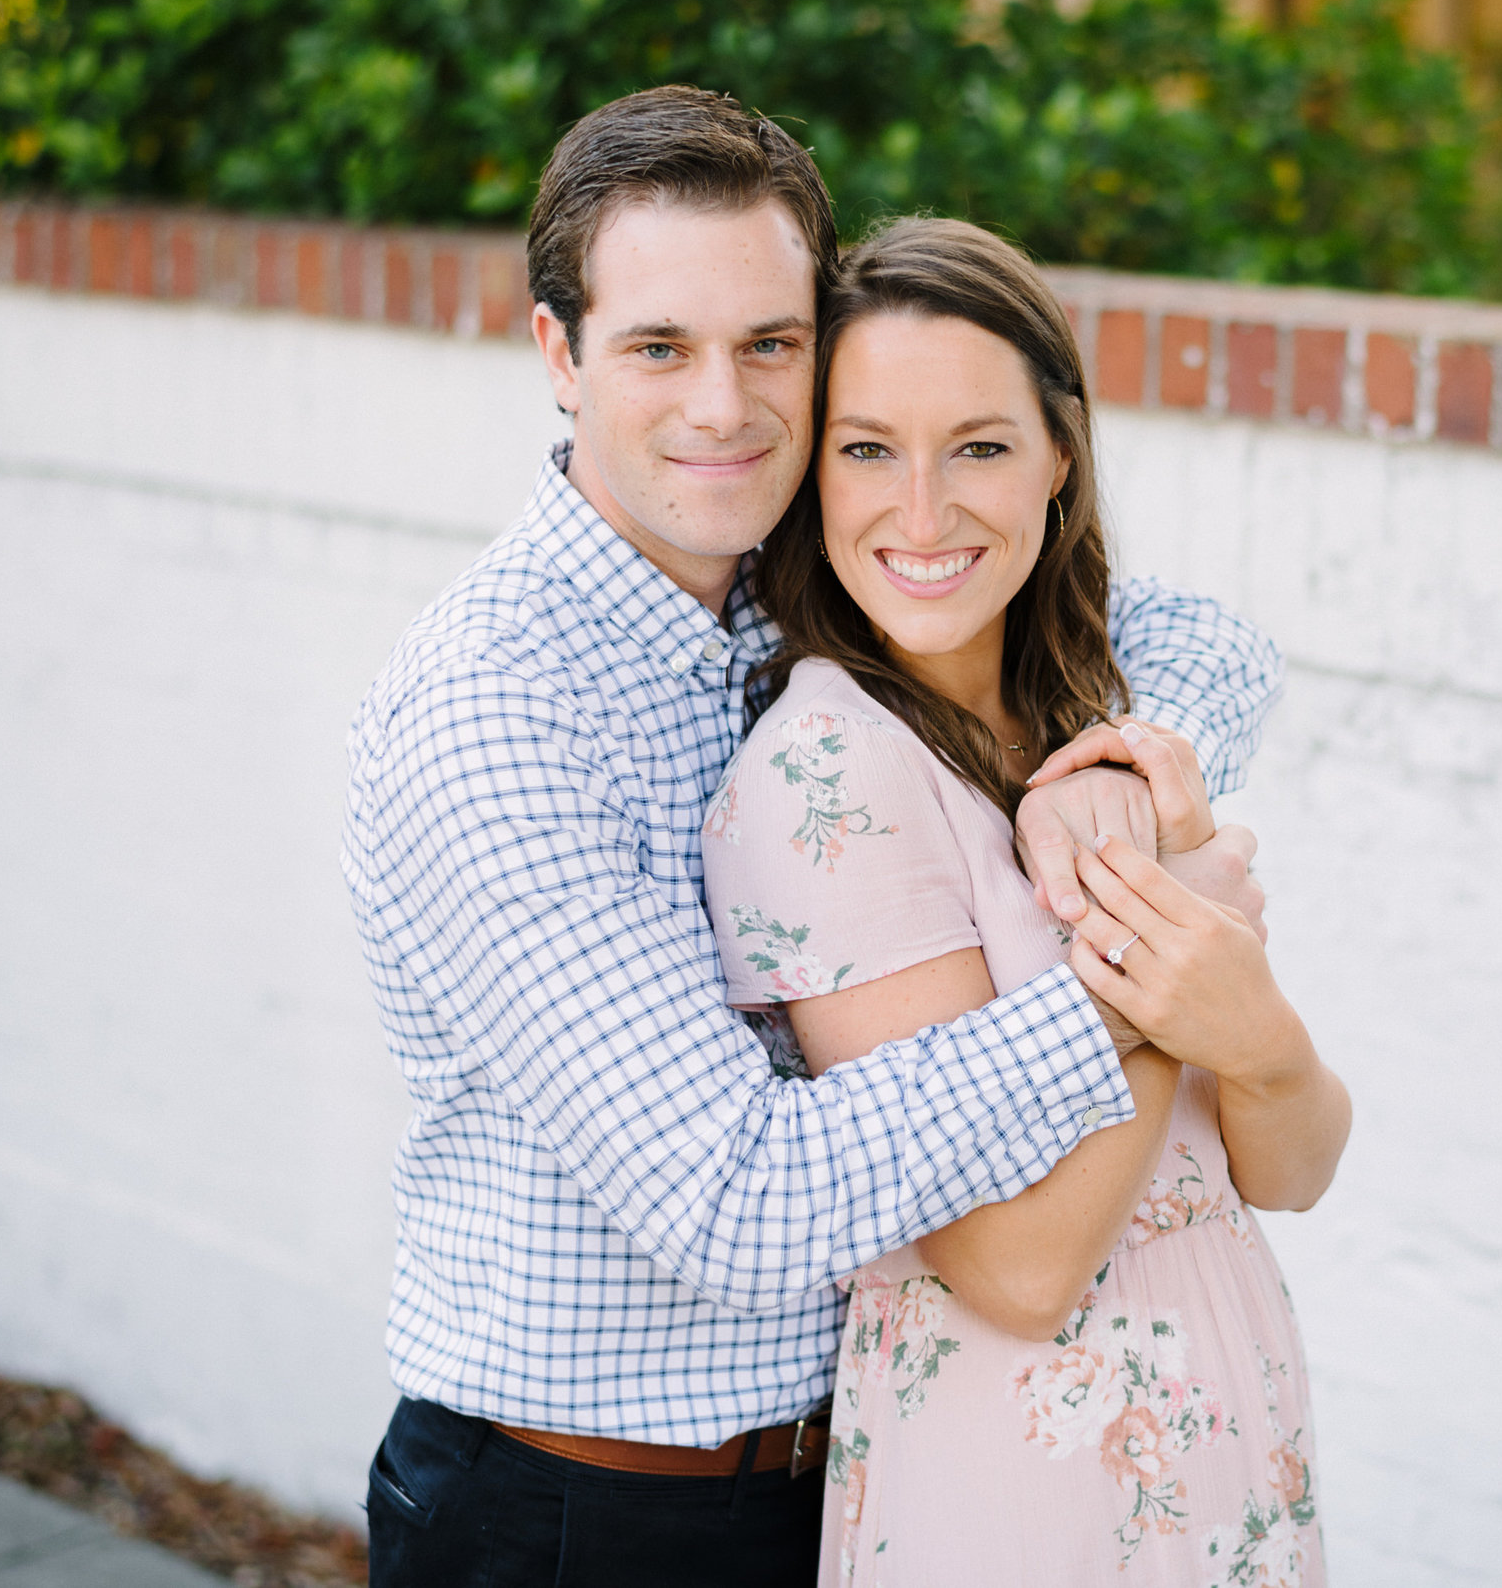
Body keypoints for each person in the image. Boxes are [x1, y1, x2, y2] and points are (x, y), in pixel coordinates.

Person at [341, 87, 1285, 1587]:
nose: (723, 405)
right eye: (659, 346)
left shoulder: (800, 578)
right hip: (586, 1520)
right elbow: (736, 1197)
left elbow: (1203, 639)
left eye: (768, 345)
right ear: (558, 355)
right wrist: (1134, 967)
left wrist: (1117, 763)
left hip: (844, 1483)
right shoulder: (497, 715)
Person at [700, 216, 1350, 1586]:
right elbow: (1015, 1273)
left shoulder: (1099, 728)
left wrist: (1260, 1035)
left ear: (1061, 453)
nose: (922, 513)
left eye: (980, 447)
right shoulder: (826, 777)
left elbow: (1290, 1167)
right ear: (812, 472)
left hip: (1224, 1425)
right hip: (1023, 1481)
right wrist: (1173, 962)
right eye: (867, 448)